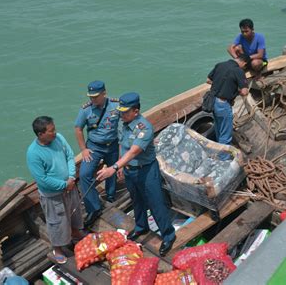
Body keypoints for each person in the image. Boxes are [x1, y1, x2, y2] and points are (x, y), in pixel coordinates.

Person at [96, 92, 176, 257]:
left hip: (146, 171)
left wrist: (113, 167)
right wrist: (120, 167)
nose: (121, 114)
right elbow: (122, 146)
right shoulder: (123, 124)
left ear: (136, 111)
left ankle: (168, 235)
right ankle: (141, 227)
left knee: (155, 203)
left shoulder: (144, 128)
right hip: (129, 170)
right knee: (137, 200)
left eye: (125, 112)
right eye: (121, 111)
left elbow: (133, 152)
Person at [26, 116, 84, 264]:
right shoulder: (33, 153)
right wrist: (64, 185)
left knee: (75, 212)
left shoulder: (59, 138)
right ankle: (57, 248)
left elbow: (70, 156)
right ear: (41, 134)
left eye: (54, 129)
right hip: (53, 195)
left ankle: (76, 233)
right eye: (51, 131)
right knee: (56, 222)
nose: (55, 132)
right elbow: (42, 179)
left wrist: (71, 177)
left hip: (70, 186)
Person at [74, 80, 120, 227]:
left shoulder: (115, 105)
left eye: (95, 96)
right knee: (84, 175)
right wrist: (83, 149)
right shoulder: (86, 110)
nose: (92, 100)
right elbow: (78, 129)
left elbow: (125, 122)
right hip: (94, 147)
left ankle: (111, 196)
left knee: (112, 172)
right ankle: (94, 208)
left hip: (112, 145)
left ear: (104, 93)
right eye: (90, 97)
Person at [207, 54, 250, 150]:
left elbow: (208, 80)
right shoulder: (238, 71)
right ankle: (223, 158)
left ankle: (218, 149)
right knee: (226, 134)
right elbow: (244, 92)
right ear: (244, 63)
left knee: (219, 128)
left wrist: (222, 85)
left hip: (213, 101)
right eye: (245, 66)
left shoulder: (220, 65)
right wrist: (236, 89)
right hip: (223, 104)